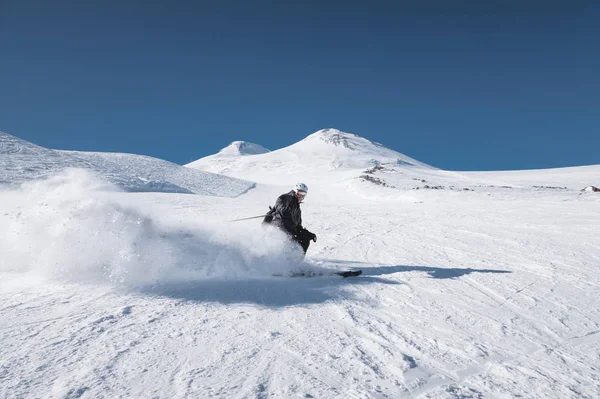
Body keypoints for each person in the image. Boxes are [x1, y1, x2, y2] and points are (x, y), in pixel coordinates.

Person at [263, 183, 317, 254]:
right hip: (280, 227)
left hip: (289, 230)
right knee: (300, 240)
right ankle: (285, 259)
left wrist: (309, 234)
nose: (301, 196)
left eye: (303, 194)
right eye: (299, 193)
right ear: (295, 191)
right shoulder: (286, 198)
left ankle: (291, 262)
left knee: (305, 238)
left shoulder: (297, 209)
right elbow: (278, 209)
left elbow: (298, 227)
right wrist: (284, 209)